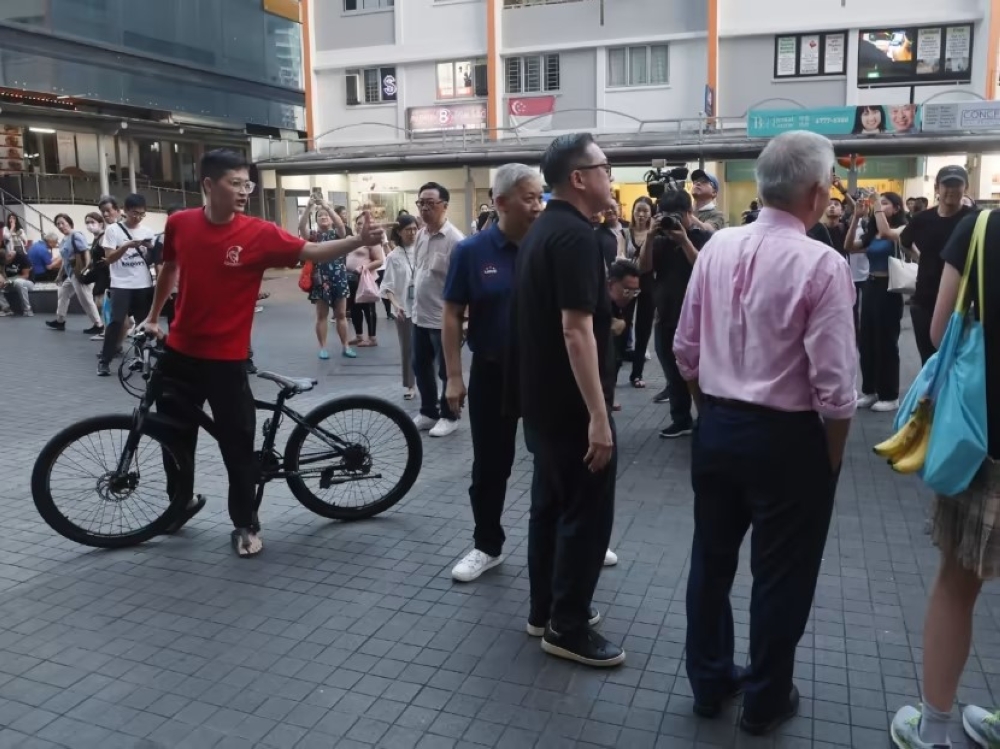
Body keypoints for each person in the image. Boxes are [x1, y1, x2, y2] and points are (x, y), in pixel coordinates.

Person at [675, 130, 856, 735]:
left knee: (711, 561)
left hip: (719, 428)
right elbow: (836, 389)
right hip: (789, 440)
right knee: (781, 575)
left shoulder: (718, 245)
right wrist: (829, 461)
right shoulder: (822, 264)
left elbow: (685, 350)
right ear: (816, 191)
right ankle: (765, 698)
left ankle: (709, 682)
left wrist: (709, 411)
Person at [141, 149, 385, 558]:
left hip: (227, 359)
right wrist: (152, 317)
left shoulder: (259, 233)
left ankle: (245, 524)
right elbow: (169, 268)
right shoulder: (180, 223)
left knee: (237, 447)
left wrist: (357, 240)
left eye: (247, 184)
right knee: (172, 437)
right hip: (179, 353)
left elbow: (310, 251)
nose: (243, 192)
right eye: (234, 183)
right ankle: (178, 504)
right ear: (208, 185)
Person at [511, 133, 624, 667]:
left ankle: (545, 611)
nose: (611, 175)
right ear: (578, 178)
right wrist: (599, 417)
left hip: (542, 401)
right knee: (585, 513)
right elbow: (575, 332)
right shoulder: (577, 238)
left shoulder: (544, 230)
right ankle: (568, 625)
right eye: (604, 166)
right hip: (573, 405)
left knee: (549, 508)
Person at [888, 209, 1000, 749]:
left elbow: (938, 331)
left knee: (958, 586)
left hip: (983, 445)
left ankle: (933, 730)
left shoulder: (983, 229)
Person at [443, 164, 544, 583]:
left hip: (546, 375)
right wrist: (453, 376)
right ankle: (488, 544)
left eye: (541, 197)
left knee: (558, 462)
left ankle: (573, 536)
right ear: (501, 203)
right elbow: (451, 315)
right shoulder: (471, 251)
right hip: (491, 374)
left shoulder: (551, 244)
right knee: (490, 467)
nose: (538, 206)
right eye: (529, 198)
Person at [649, 189, 712, 439]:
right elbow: (643, 267)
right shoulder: (660, 240)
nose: (672, 220)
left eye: (678, 214)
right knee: (672, 372)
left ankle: (707, 419)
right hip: (665, 316)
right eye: (667, 214)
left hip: (698, 319)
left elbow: (704, 269)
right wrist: (652, 236)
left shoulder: (703, 238)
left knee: (702, 373)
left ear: (689, 213)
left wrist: (684, 241)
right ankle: (681, 419)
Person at [901, 165, 974, 365]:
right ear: (937, 187)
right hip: (925, 301)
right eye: (946, 184)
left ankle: (951, 398)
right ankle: (930, 397)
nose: (951, 190)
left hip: (964, 304)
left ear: (965, 187)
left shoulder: (974, 218)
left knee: (958, 363)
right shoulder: (922, 219)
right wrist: (920, 259)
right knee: (930, 362)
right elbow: (904, 241)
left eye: (957, 184)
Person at [410, 181, 465, 438]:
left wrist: (464, 322)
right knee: (420, 367)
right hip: (419, 316)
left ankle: (450, 415)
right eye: (421, 203)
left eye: (430, 203)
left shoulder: (456, 241)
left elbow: (465, 286)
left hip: (444, 320)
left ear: (445, 206)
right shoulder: (420, 234)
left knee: (447, 371)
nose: (424, 208)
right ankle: (428, 411)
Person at [847, 191, 907, 412]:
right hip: (871, 287)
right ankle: (870, 391)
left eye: (885, 203)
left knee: (886, 342)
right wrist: (856, 217)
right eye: (878, 203)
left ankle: (890, 395)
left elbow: (887, 232)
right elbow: (849, 247)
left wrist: (876, 204)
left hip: (890, 289)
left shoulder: (902, 229)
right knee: (867, 341)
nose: (879, 206)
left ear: (897, 208)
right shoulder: (873, 233)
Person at [98, 193, 157, 377]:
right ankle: (105, 360)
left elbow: (151, 260)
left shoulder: (147, 231)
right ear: (124, 211)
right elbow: (108, 259)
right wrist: (126, 246)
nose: (137, 217)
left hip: (143, 283)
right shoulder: (113, 230)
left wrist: (151, 248)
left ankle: (141, 359)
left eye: (141, 214)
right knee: (116, 322)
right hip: (121, 284)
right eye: (134, 213)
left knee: (142, 324)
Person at [298, 196, 352, 359]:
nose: (324, 218)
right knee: (322, 315)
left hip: (339, 277)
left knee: (341, 314)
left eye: (326, 216)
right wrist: (308, 208)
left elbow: (341, 225)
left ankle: (346, 345)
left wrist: (327, 207)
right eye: (320, 216)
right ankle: (323, 347)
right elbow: (302, 229)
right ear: (316, 220)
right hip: (320, 279)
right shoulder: (313, 236)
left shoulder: (337, 234)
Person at [380, 214, 419, 399]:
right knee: (408, 349)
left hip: (425, 308)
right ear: (399, 233)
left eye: (414, 229)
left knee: (430, 350)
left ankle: (431, 384)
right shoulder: (393, 257)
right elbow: (387, 287)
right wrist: (396, 306)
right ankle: (410, 385)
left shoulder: (423, 250)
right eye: (408, 230)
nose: (412, 233)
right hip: (405, 310)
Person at [44, 214, 104, 334]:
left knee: (86, 300)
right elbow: (65, 260)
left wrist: (85, 270)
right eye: (58, 224)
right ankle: (60, 320)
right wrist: (60, 274)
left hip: (78, 274)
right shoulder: (64, 239)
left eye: (63, 223)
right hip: (71, 274)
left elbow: (85, 252)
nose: (61, 226)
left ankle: (98, 324)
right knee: (63, 293)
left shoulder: (76, 235)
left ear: (69, 223)